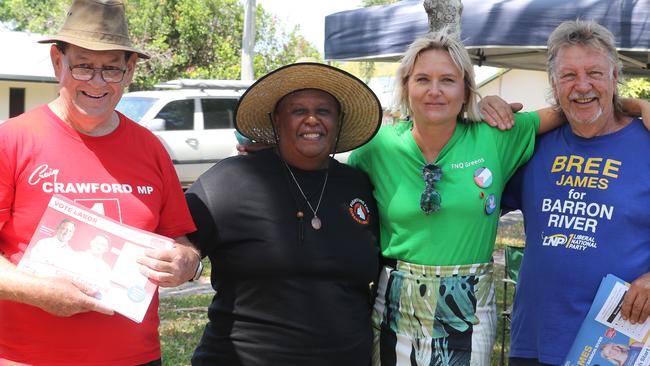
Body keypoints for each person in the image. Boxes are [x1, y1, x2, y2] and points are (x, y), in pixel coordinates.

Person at [346, 28, 570, 366]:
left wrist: (636, 105)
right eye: (422, 79)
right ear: (406, 87)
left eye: (448, 80)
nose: (434, 91)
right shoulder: (376, 148)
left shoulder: (496, 136)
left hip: (471, 308)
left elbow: (572, 105)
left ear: (466, 90)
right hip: (394, 305)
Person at [0, 0, 200, 364]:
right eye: (84, 66)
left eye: (110, 69)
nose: (97, 82)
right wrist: (36, 291)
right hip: (26, 358)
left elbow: (179, 240)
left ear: (130, 70)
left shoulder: (150, 147)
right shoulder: (11, 141)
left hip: (135, 357)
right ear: (58, 62)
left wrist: (186, 261)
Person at [185, 62, 382, 365]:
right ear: (278, 121)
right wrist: (182, 257)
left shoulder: (359, 185)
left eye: (324, 111)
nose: (312, 119)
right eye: (298, 111)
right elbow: (177, 239)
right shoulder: (231, 181)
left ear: (338, 121)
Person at [501, 20, 650, 366]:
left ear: (615, 79)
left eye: (595, 73)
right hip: (533, 343)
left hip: (615, 347)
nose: (582, 86)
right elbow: (472, 197)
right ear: (554, 84)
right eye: (568, 75)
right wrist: (486, 114)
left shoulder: (645, 143)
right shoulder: (532, 146)